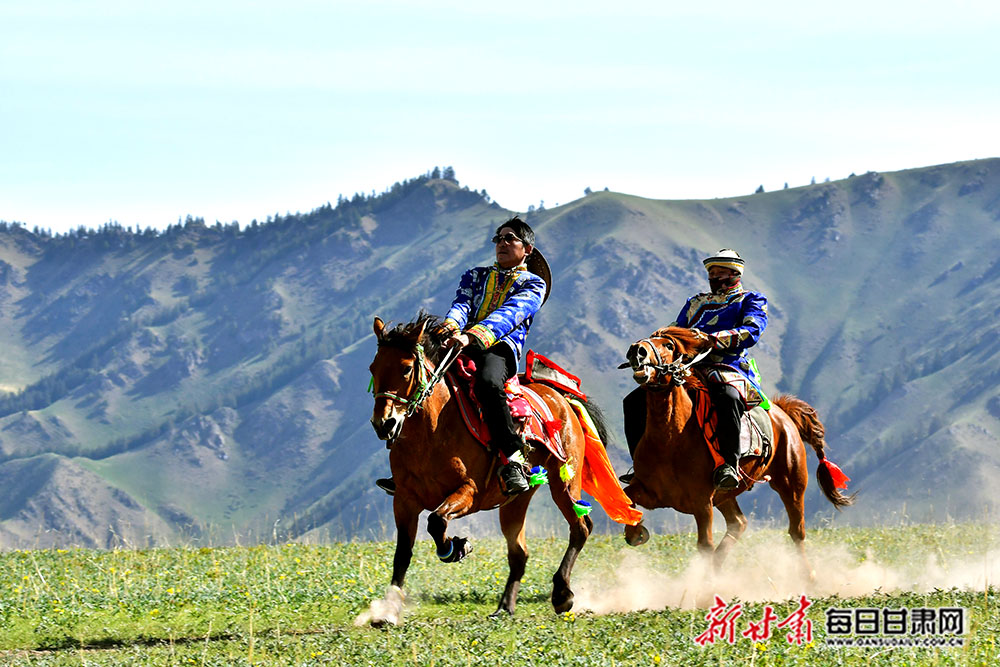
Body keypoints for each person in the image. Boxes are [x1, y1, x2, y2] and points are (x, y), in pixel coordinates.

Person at [376, 216, 547, 496]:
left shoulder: (533, 285)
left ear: (527, 249)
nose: (502, 243)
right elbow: (461, 304)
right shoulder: (475, 275)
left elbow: (509, 315)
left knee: (489, 383)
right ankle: (406, 463)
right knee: (421, 378)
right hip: (460, 339)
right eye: (498, 239)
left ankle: (513, 460)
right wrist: (452, 325)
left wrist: (473, 335)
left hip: (499, 348)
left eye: (510, 238)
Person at [620, 249, 768, 490]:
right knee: (634, 401)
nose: (714, 278)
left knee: (727, 397)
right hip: (688, 366)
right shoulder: (696, 302)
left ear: (734, 274)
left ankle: (729, 464)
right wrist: (655, 344)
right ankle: (640, 465)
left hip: (727, 365)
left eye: (720, 273)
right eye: (711, 273)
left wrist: (711, 339)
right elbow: (675, 329)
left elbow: (752, 331)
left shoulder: (751, 300)